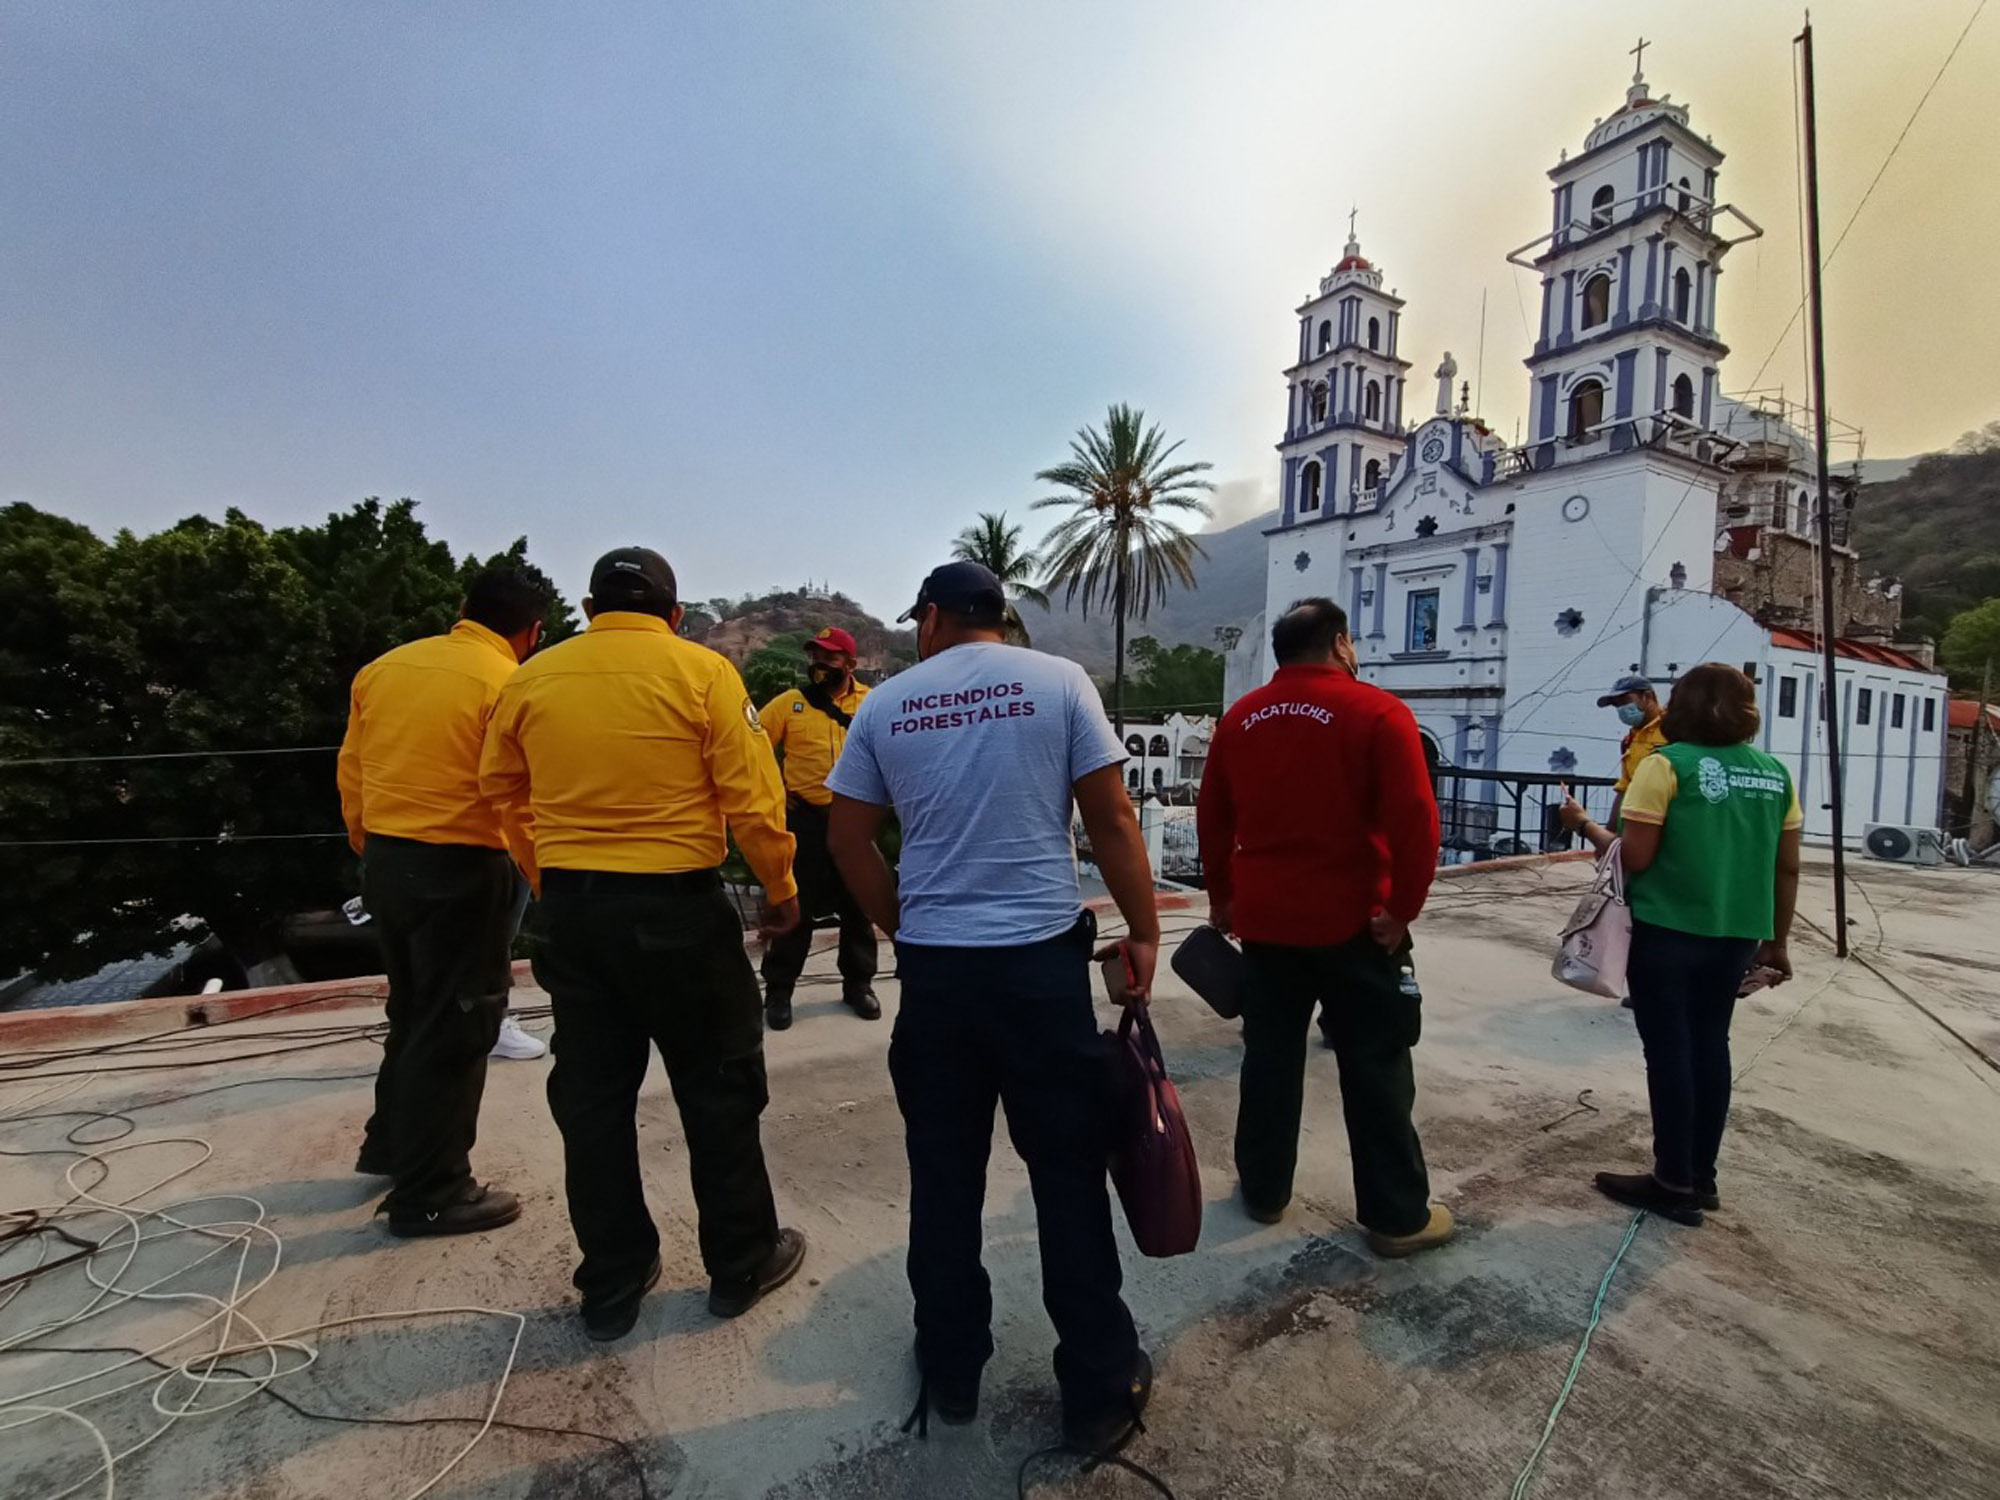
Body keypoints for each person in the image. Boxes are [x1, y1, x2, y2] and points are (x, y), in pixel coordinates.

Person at [825, 560, 1159, 1455]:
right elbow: (1113, 818)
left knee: (944, 1177)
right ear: (1001, 620)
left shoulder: (886, 705)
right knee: (1066, 1175)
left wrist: (905, 925)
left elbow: (847, 837)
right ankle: (1096, 1384)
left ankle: (952, 1367)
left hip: (940, 978)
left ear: (930, 619)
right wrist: (1144, 934)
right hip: (1041, 975)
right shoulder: (1060, 683)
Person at [480, 546, 808, 1341]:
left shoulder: (531, 679)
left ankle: (613, 1282)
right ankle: (739, 1263)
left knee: (591, 1103)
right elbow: (753, 797)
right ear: (673, 613)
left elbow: (499, 790)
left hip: (578, 918)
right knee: (720, 1089)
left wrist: (546, 874)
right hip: (680, 916)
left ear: (590, 611)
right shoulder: (702, 673)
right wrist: (781, 885)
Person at [1196, 598, 1455, 1257]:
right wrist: (1405, 907)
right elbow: (1417, 822)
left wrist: (1223, 898)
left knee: (1270, 1059)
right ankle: (1398, 1217)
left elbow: (1214, 819)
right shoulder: (1379, 712)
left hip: (1267, 925)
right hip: (1358, 925)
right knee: (1375, 1066)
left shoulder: (1241, 719)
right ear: (1341, 643)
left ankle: (1263, 1191)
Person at [337, 566, 549, 1237]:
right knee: (459, 1026)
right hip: (463, 867)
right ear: (531, 632)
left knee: (414, 1007)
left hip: (389, 861)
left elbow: (352, 771)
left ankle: (393, 1146)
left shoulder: (384, 669)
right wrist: (541, 877)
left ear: (464, 609)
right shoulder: (510, 683)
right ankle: (434, 1192)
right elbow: (516, 797)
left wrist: (371, 849)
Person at [1560, 663, 1801, 1226]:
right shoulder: (1774, 774)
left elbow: (1634, 856)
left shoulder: (1663, 765)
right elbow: (1786, 868)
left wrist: (1585, 825)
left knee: (1668, 1051)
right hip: (1738, 935)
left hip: (1668, 930)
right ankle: (1702, 1176)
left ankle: (1672, 1180)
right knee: (1709, 1046)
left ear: (1679, 708)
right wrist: (1777, 943)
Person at [758, 625, 880, 1029]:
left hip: (856, 816)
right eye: (815, 657)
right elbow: (750, 746)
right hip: (805, 819)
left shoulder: (874, 703)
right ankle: (779, 992)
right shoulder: (790, 703)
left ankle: (859, 985)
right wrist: (777, 786)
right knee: (796, 907)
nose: (820, 665)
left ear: (850, 663)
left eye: (829, 658)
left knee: (858, 906)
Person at [1597, 672, 1666, 825]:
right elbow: (1625, 787)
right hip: (1639, 819)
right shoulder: (1629, 741)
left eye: (1625, 701)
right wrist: (1610, 830)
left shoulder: (1673, 728)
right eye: (1617, 705)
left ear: (1647, 697)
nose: (1621, 709)